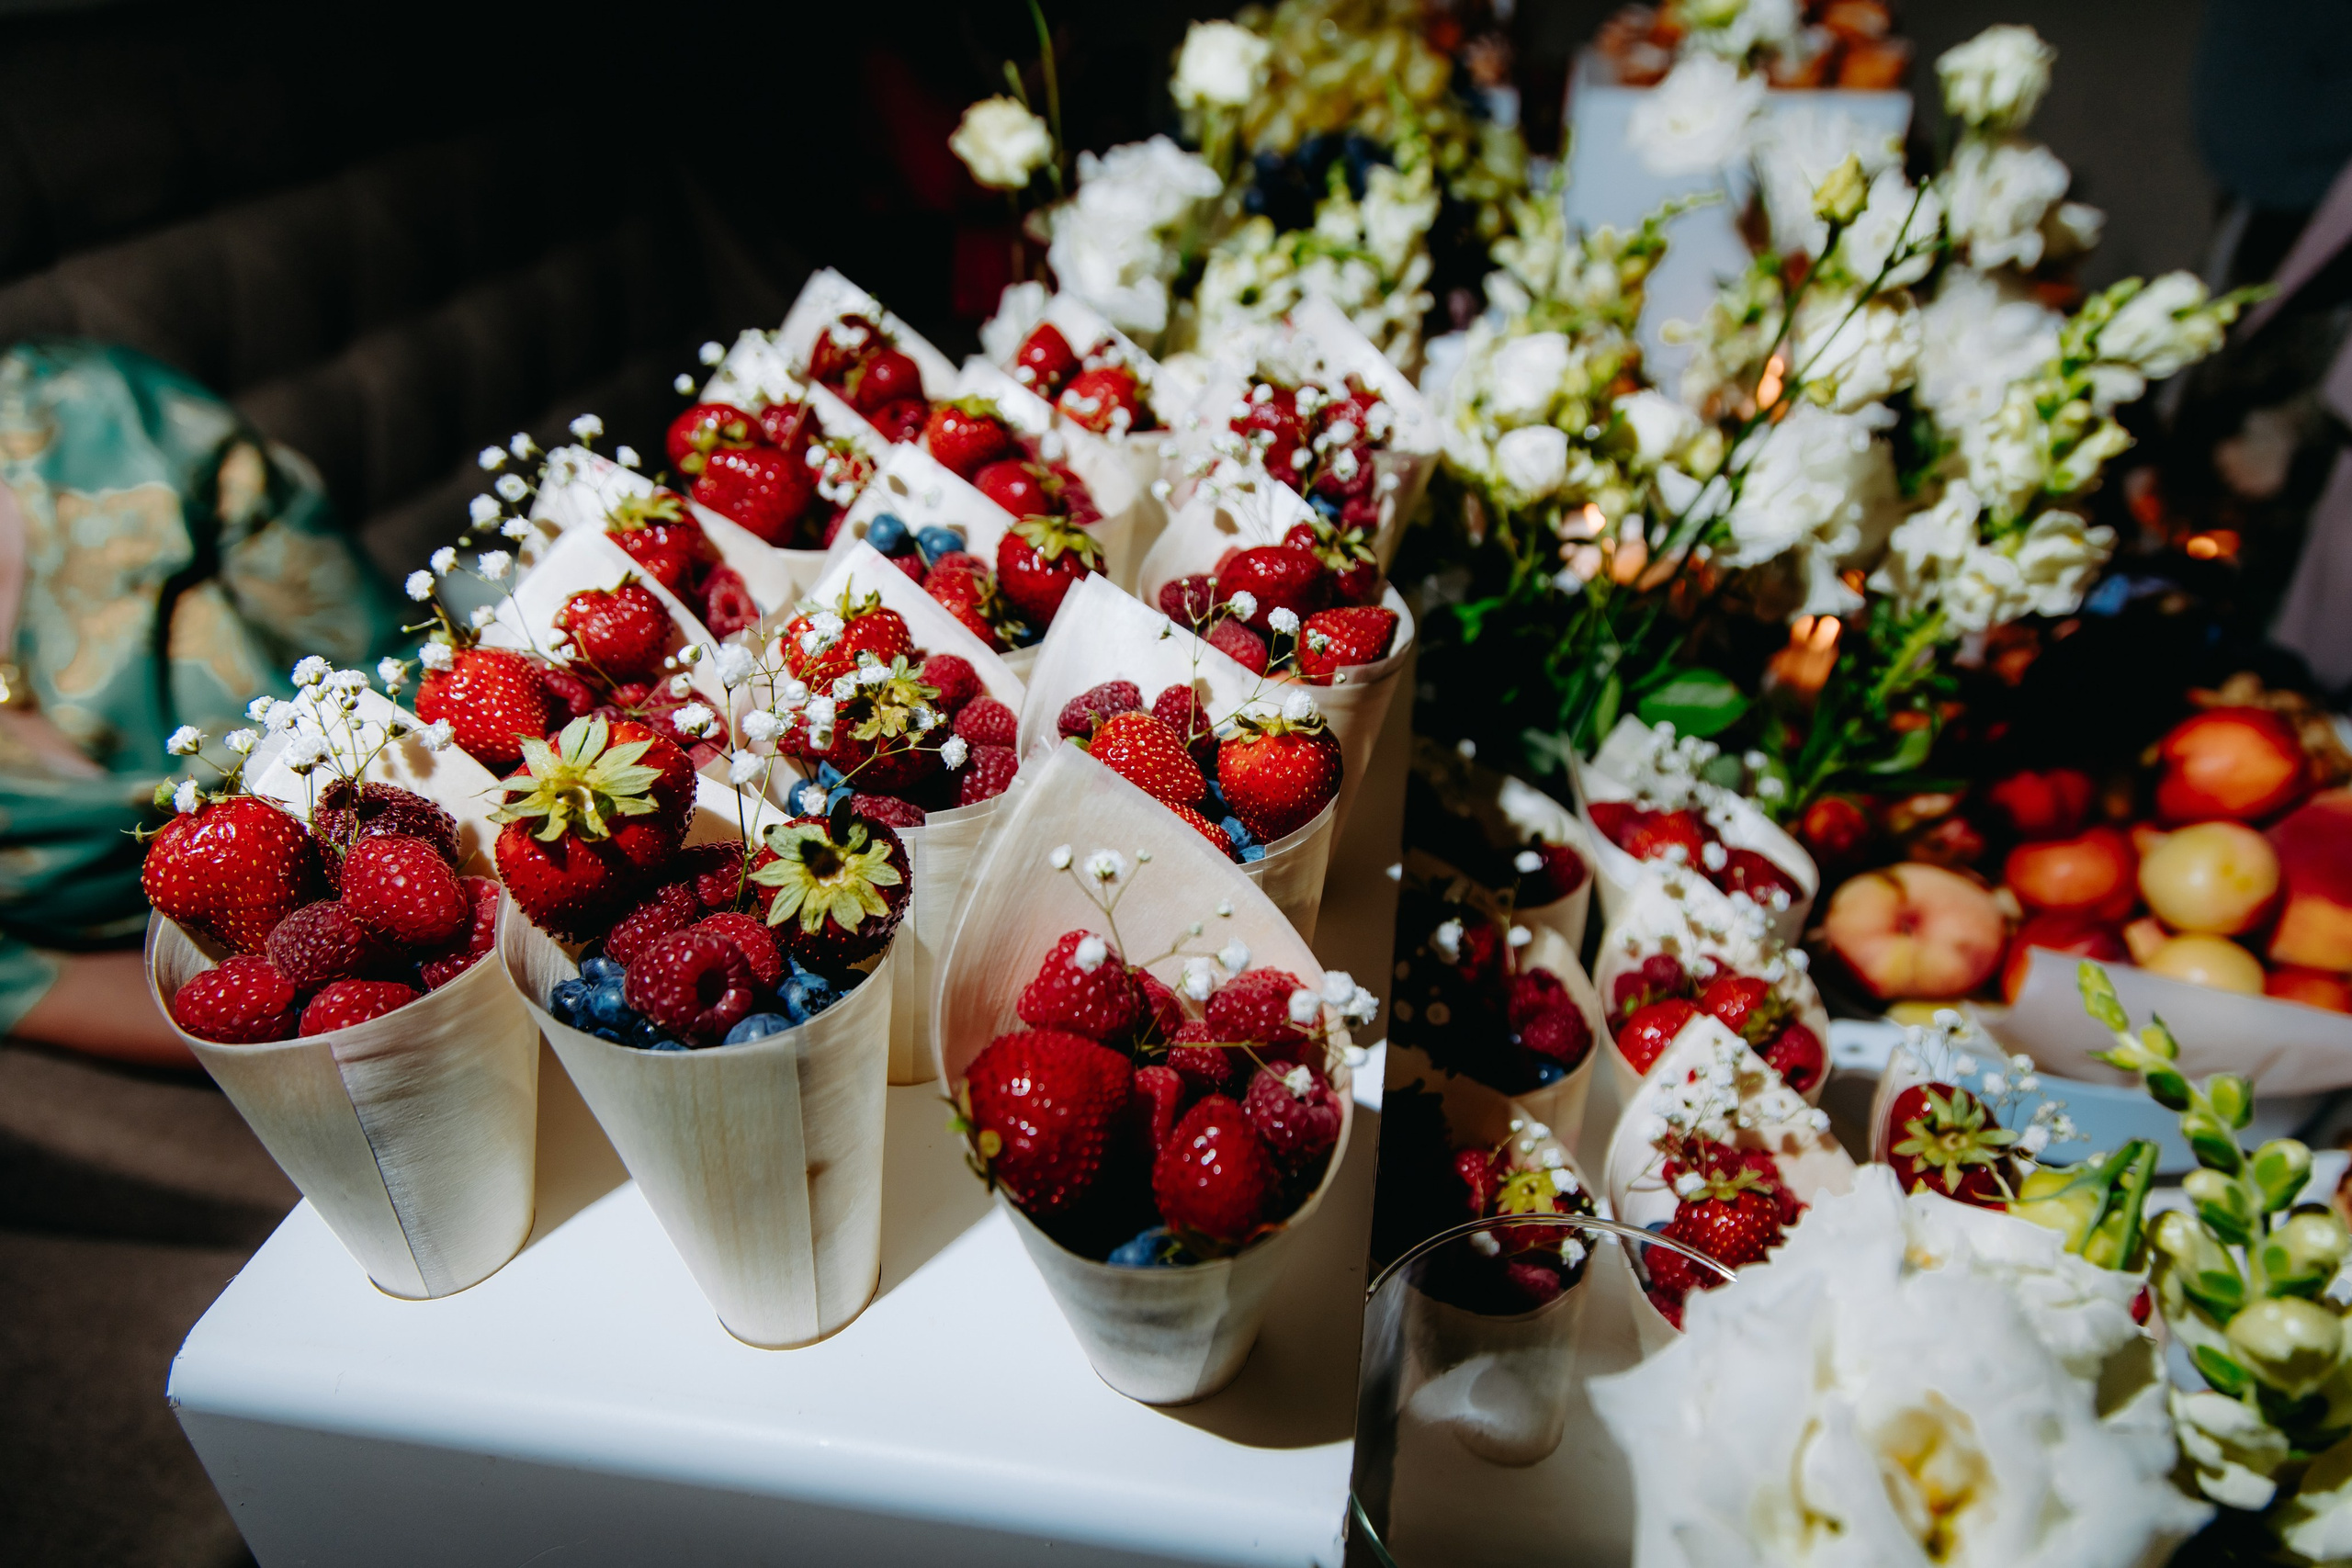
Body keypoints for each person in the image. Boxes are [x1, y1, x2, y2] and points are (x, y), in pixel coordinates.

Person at [0, 342, 404, 1066]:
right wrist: (330, 1042)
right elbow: (27, 986)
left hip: (419, 837)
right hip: (266, 1027)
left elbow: (389, 680)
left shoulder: (110, 422)